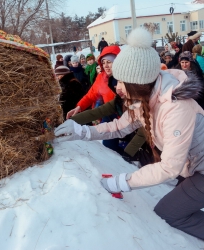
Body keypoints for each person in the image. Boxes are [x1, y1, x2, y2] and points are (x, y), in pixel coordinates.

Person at [54, 27, 204, 240]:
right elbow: (119, 126)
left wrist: (121, 182)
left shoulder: (175, 107)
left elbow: (170, 167)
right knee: (177, 207)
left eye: (123, 82)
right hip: (195, 167)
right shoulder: (146, 97)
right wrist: (81, 131)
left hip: (201, 170)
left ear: (139, 81)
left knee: (169, 213)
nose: (118, 88)